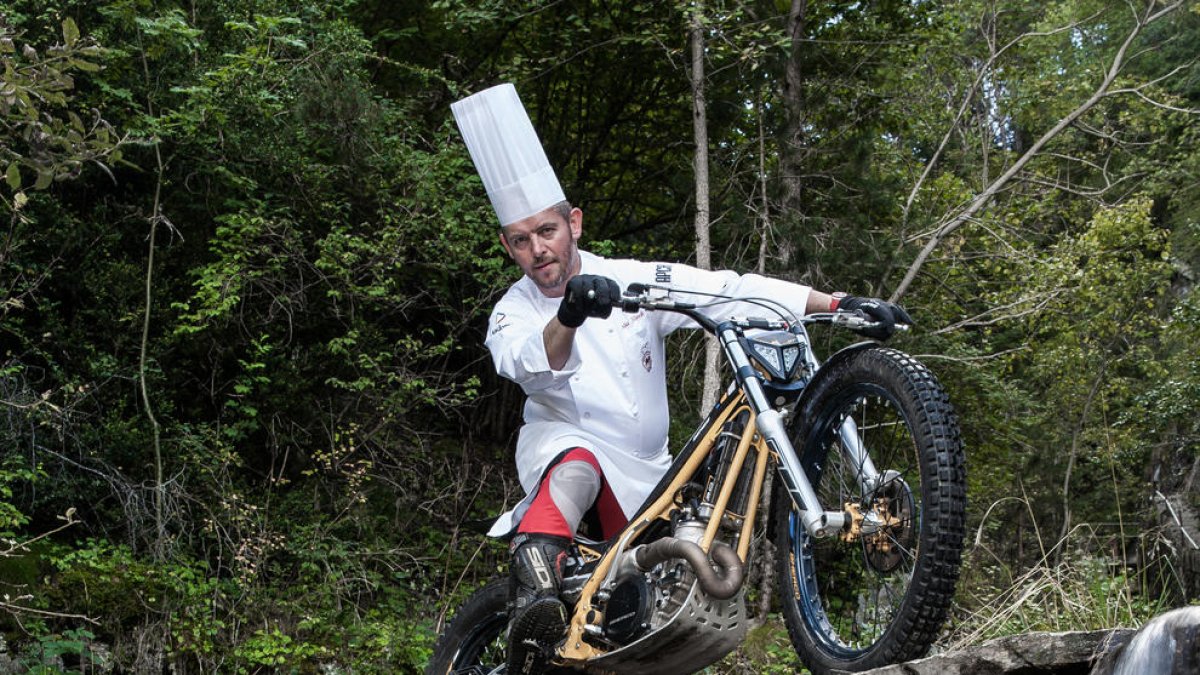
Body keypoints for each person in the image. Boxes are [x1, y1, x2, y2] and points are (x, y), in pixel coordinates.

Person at [452, 84, 910, 674]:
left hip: (650, 472)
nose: (538, 250)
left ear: (575, 223)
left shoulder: (629, 279)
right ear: (507, 246)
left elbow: (727, 288)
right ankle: (534, 594)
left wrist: (837, 303)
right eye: (521, 240)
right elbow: (524, 362)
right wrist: (568, 313)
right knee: (575, 464)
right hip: (570, 450)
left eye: (547, 231)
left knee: (657, 601)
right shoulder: (513, 309)